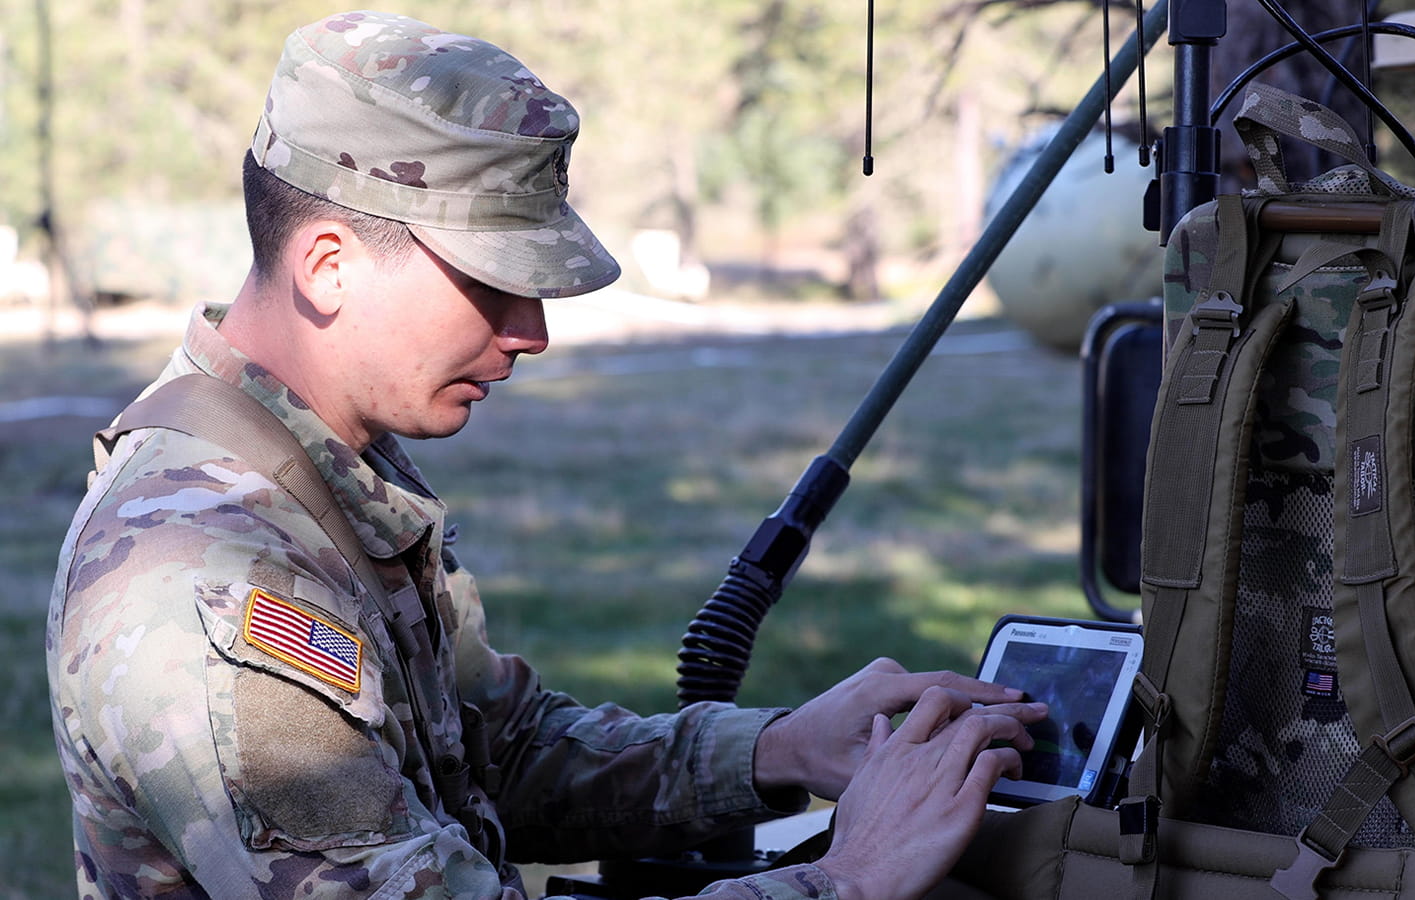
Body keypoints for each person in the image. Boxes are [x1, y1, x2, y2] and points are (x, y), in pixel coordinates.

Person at [44, 11, 1046, 900]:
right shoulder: (205, 575)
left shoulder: (323, 472)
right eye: (493, 281)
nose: (531, 332)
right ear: (329, 267)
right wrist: (848, 877)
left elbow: (496, 754)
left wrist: (781, 748)